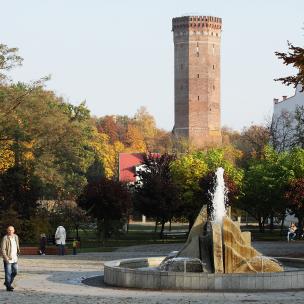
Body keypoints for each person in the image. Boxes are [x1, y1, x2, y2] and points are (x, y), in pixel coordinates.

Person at [1, 226, 20, 292]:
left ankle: (7, 282)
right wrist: (6, 258)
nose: (10, 231)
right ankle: (8, 286)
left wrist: (18, 252)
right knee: (8, 273)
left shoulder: (16, 237)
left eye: (11, 230)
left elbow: (17, 245)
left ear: (14, 230)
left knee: (15, 272)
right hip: (8, 259)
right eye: (9, 230)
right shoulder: (5, 238)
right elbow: (3, 249)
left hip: (15, 258)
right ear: (7, 231)